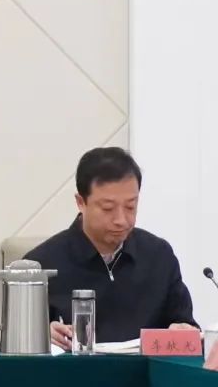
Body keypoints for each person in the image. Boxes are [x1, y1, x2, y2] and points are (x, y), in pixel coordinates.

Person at [24, 147, 197, 351]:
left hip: (145, 372)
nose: (121, 220)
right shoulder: (39, 265)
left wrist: (184, 331)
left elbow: (188, 331)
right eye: (108, 208)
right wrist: (39, 337)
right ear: (81, 202)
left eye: (130, 206)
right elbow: (11, 352)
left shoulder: (159, 256)